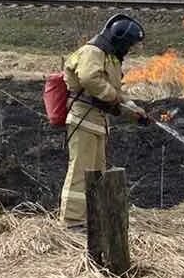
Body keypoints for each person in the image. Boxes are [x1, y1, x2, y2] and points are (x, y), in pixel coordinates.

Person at [59, 13, 150, 229]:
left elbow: (115, 93)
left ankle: (91, 216)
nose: (129, 49)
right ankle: (72, 221)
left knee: (96, 172)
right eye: (129, 45)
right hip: (83, 120)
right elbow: (90, 79)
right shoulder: (93, 52)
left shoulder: (108, 56)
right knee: (80, 170)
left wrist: (135, 111)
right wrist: (115, 98)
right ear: (121, 41)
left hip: (97, 123)